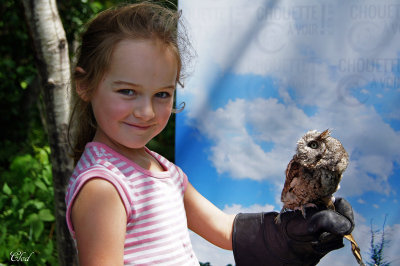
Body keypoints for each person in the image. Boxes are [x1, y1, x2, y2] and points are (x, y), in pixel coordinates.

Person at [65, 2, 355, 265]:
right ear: (85, 84)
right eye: (127, 91)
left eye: (162, 94)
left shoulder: (162, 169)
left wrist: (290, 233)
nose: (147, 112)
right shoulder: (103, 186)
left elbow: (225, 229)